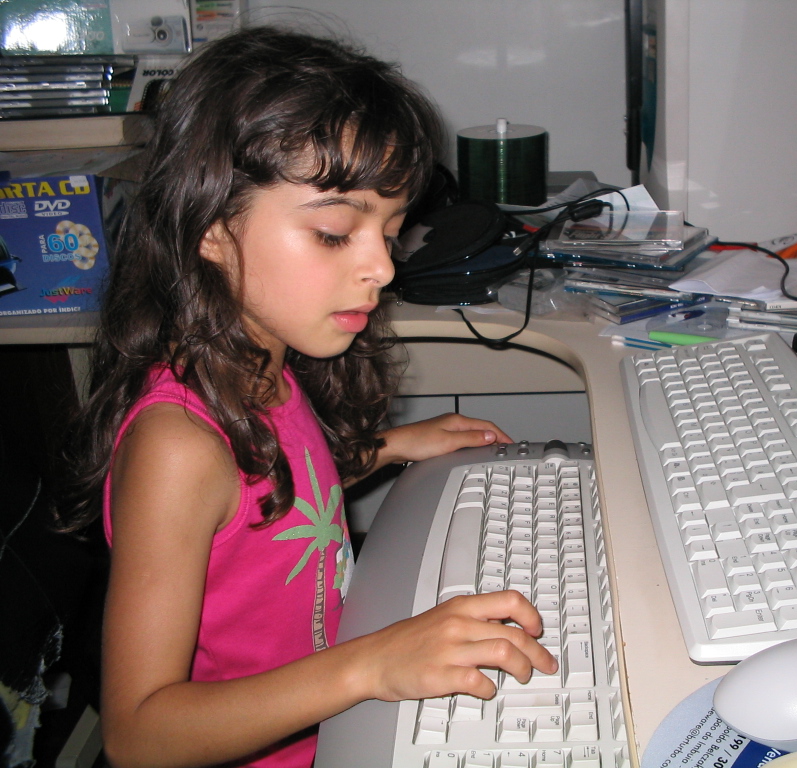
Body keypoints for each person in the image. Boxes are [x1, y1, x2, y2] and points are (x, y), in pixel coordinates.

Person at [59, 27, 557, 768]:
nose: (383, 268)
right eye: (333, 233)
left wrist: (387, 449)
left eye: (390, 232)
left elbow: (267, 501)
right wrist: (371, 666)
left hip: (335, 726)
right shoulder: (177, 446)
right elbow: (137, 734)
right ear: (210, 229)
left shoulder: (265, 368)